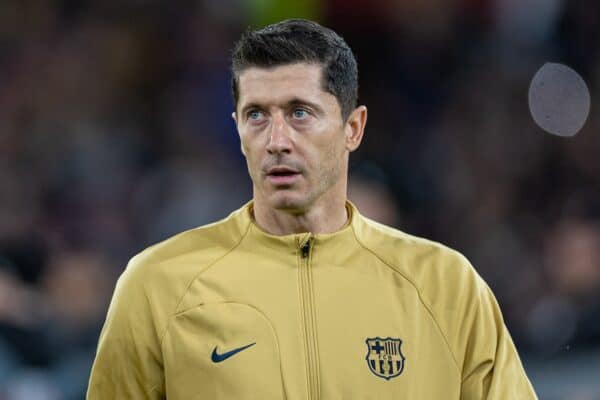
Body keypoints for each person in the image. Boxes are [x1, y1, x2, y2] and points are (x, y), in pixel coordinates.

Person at [87, 19, 538, 399]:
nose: (277, 140)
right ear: (238, 130)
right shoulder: (158, 286)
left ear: (353, 128)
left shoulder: (446, 286)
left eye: (300, 112)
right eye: (256, 115)